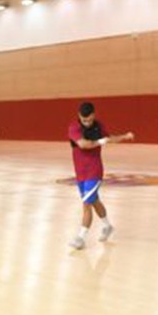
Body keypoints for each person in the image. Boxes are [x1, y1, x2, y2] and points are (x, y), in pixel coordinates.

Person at [67, 102, 134, 250]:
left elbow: (109, 138)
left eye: (90, 120)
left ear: (94, 115)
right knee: (95, 201)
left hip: (94, 172)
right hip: (80, 174)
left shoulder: (99, 126)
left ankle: (80, 237)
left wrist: (125, 136)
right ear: (79, 116)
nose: (88, 123)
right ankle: (108, 226)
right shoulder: (74, 128)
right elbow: (83, 144)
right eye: (85, 120)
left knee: (86, 204)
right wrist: (98, 142)